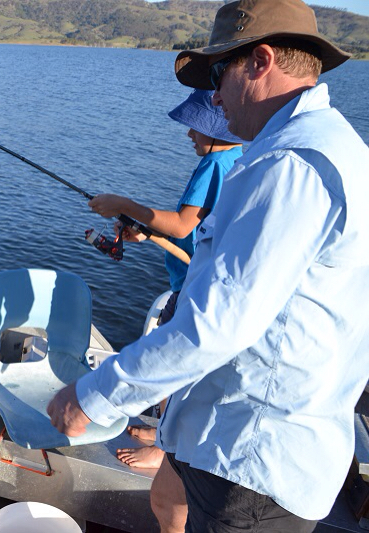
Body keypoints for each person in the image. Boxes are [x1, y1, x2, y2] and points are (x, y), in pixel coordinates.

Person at [47, 0, 369, 532]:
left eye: (219, 75)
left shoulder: (289, 165)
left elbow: (218, 323)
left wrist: (94, 397)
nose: (214, 97)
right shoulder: (338, 147)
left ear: (261, 61)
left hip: (249, 463)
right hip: (248, 444)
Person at [89, 89, 242, 475]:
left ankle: (165, 450)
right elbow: (197, 227)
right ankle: (163, 433)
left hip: (191, 285)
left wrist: (123, 204)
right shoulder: (237, 158)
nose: (189, 134)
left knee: (172, 367)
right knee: (178, 366)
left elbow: (182, 224)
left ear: (215, 130)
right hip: (202, 276)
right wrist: (146, 232)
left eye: (194, 127)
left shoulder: (213, 164)